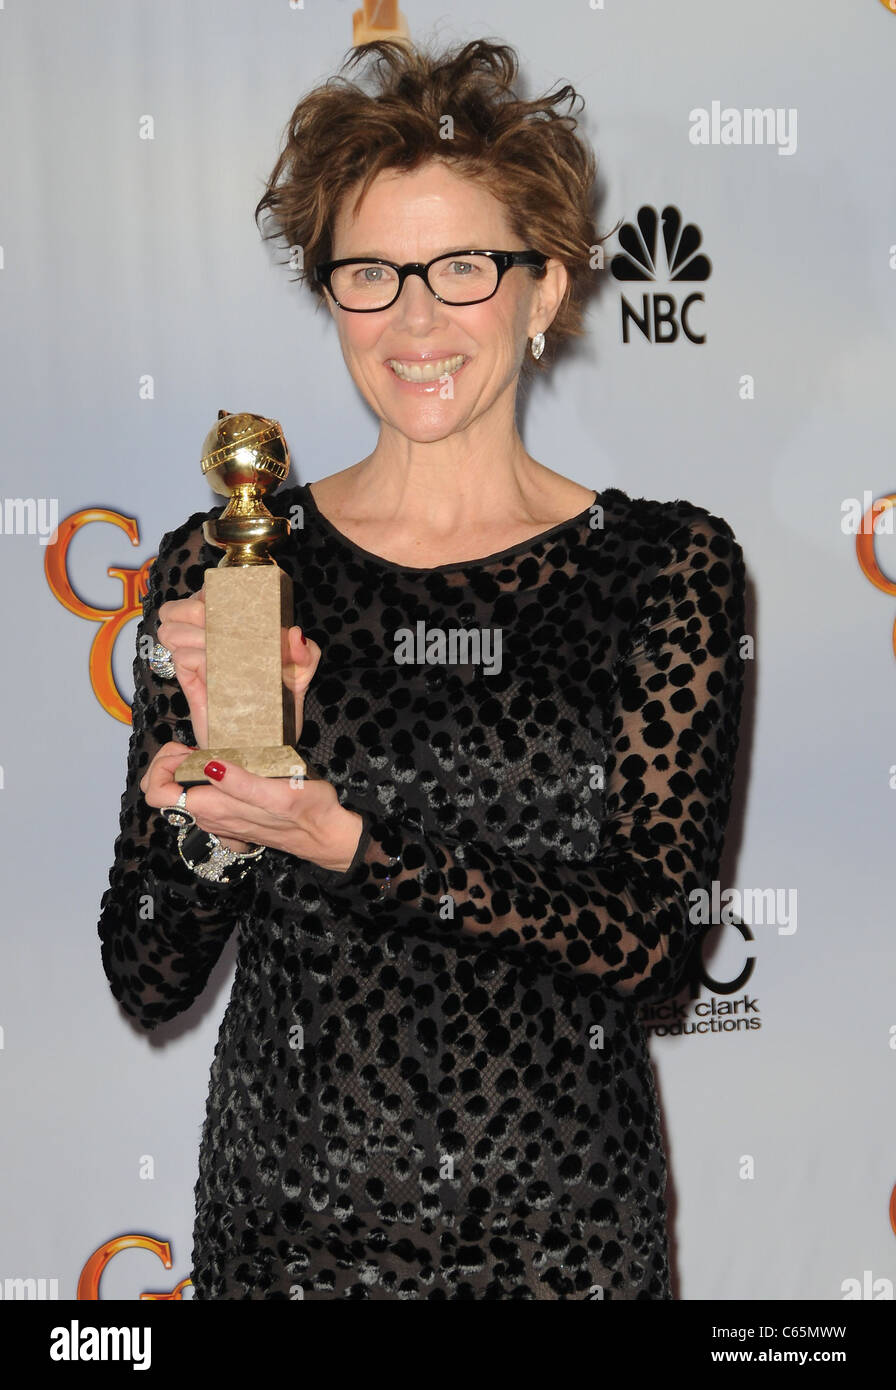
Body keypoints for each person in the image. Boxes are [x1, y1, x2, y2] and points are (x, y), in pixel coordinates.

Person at [97, 37, 746, 1299]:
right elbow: (145, 969)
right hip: (288, 1239)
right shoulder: (234, 568)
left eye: (461, 268)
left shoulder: (664, 566)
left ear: (544, 286)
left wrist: (356, 847)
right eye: (369, 273)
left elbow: (656, 948)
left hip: (564, 1243)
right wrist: (221, 816)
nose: (412, 319)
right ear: (328, 289)